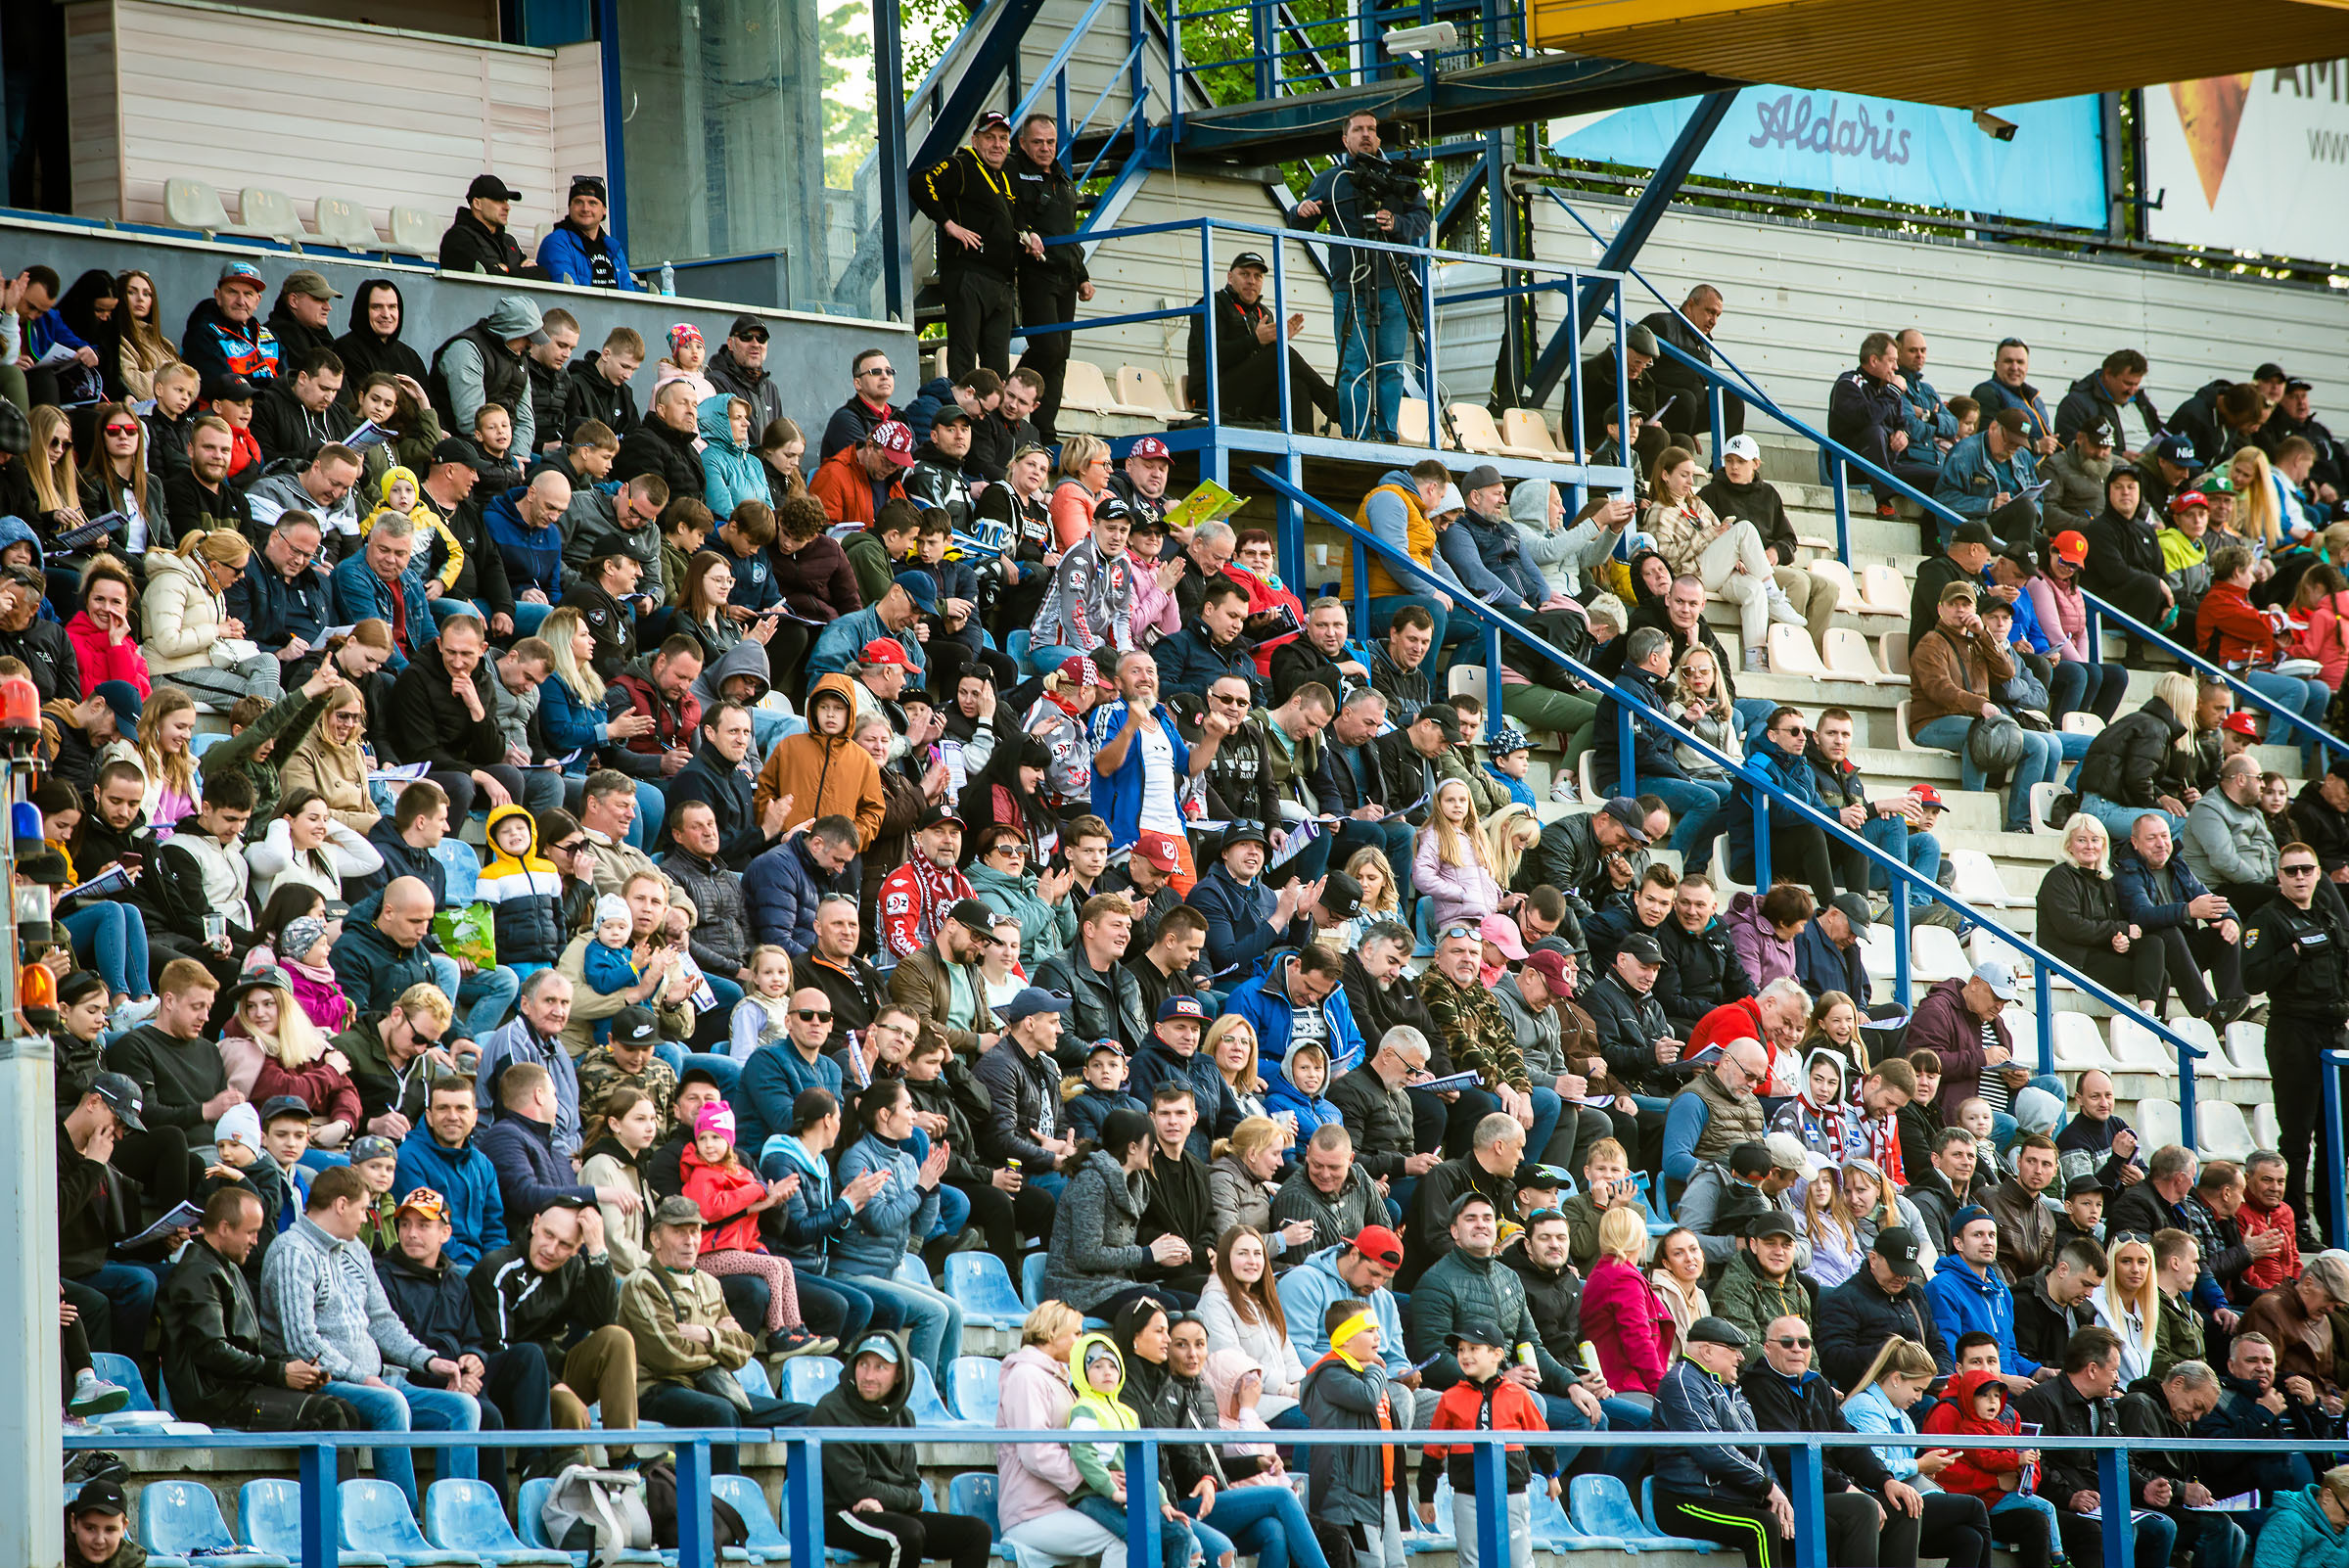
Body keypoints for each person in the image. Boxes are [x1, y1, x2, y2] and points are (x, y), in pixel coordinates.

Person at [257, 1167, 481, 1507]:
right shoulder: (292, 1250)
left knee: (463, 1407)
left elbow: (381, 1320)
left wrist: (429, 1360)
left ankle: (457, 1518)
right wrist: (362, 1378)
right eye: (364, 1210)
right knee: (391, 1403)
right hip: (324, 1381)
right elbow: (302, 1344)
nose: (367, 1219)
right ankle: (402, 1521)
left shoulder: (355, 1248)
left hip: (374, 1379)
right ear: (342, 1205)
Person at [616, 1194, 806, 1474]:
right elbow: (669, 1356)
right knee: (720, 1412)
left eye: (694, 1231)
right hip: (658, 1390)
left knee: (807, 1416)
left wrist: (706, 1335)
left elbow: (743, 1350)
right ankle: (723, 1506)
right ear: (655, 1239)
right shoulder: (641, 1284)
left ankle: (797, 1508)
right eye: (678, 1232)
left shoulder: (709, 1283)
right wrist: (721, 1345)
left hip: (713, 1386)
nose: (690, 1240)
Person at [157, 1186, 362, 1435]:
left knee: (346, 1410)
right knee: (327, 1414)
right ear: (224, 1228)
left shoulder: (225, 1266)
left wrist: (292, 1364)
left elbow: (249, 1343)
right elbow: (213, 1351)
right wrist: (280, 1373)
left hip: (239, 1389)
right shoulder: (197, 1273)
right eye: (251, 1232)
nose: (256, 1241)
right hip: (214, 1401)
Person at [1289, 109, 1428, 441]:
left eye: (1372, 129)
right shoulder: (1331, 180)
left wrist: (1397, 225)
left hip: (1393, 285)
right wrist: (1300, 210)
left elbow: (1422, 219)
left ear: (1379, 137)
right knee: (1354, 367)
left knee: (1390, 366)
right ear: (1345, 139)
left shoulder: (1399, 176)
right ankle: (1357, 436)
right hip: (1350, 286)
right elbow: (1299, 226)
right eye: (1358, 129)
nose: (1366, 134)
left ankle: (1386, 435)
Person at [2239, 843, 2349, 1237]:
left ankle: (2335, 1225)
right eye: (2291, 871)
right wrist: (2295, 950)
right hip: (2294, 1031)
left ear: (2318, 873)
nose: (2300, 877)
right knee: (2298, 1136)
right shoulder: (2266, 920)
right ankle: (2296, 1223)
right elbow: (2252, 979)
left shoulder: (2330, 916)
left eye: (2306, 869)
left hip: (2335, 1032)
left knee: (2338, 1136)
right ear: (2279, 877)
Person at [2017, 1325, 2185, 1568]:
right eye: (2115, 1370)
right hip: (2063, 1503)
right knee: (2124, 1533)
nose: (2118, 1378)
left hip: (2100, 1502)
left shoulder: (2104, 1406)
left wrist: (2143, 1488)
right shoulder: (2040, 1401)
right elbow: (2034, 1463)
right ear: (2093, 1370)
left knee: (2163, 1526)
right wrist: (2070, 1497)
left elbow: (2120, 1459)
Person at [469, 1196, 640, 1432]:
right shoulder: (498, 1269)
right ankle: (576, 1467)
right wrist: (555, 1385)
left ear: (576, 1249)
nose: (551, 1249)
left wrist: (598, 1250)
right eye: (548, 1235)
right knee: (566, 1404)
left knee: (617, 1338)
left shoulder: (571, 1267)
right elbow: (498, 1350)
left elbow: (604, 1320)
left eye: (565, 1244)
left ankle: (623, 1454)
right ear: (535, 1224)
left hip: (556, 1369)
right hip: (513, 1382)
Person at [834, 1080, 965, 1382]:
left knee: (954, 1310)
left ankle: (945, 1395)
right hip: (854, 1272)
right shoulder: (857, 1158)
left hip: (887, 1272)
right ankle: (917, 1396)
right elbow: (879, 1220)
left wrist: (931, 1188)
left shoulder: (906, 1160)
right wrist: (921, 1187)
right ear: (884, 1114)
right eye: (907, 1107)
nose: (913, 1115)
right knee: (935, 1313)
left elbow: (920, 1226)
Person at [1650, 1315, 1795, 1565]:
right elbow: (1713, 1450)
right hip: (1687, 1500)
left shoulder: (1731, 1389)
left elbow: (1758, 1451)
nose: (1741, 1358)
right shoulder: (1682, 1382)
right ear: (1707, 1351)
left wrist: (1777, 1493)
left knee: (1809, 1523)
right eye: (1734, 1351)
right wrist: (1766, 1487)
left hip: (1732, 1497)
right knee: (1761, 1526)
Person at [1299, 1294, 1408, 1568]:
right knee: (1372, 1563)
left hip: (1383, 1489)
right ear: (1346, 1339)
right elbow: (1365, 1398)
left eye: (1377, 1330)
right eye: (1368, 1330)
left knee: (1397, 1564)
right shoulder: (1331, 1373)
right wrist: (1375, 1371)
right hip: (1352, 1493)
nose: (1377, 1337)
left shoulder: (1365, 1373)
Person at [1187, 250, 1339, 431]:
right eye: (1244, 274)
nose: (1251, 281)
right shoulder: (1211, 305)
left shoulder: (1264, 313)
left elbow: (1264, 366)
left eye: (1257, 276)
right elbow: (1213, 357)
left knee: (1296, 386)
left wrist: (1277, 341)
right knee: (1279, 354)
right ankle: (1337, 408)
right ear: (1230, 277)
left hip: (1249, 397)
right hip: (1212, 396)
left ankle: (1303, 453)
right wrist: (1257, 341)